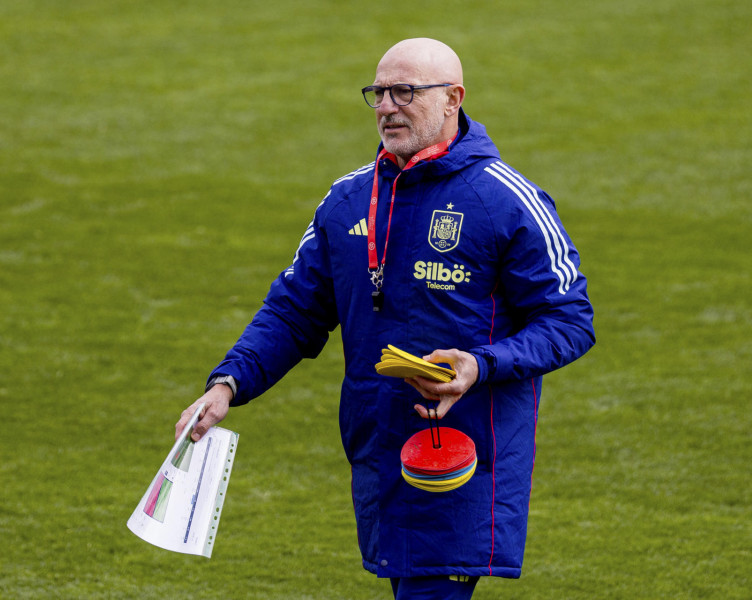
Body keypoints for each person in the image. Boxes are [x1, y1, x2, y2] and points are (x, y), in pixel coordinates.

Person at [176, 38, 595, 600]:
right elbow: (294, 311)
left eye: (406, 92)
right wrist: (229, 383)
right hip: (378, 448)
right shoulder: (347, 200)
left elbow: (570, 320)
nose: (387, 107)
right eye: (379, 93)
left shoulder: (506, 201)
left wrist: (480, 364)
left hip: (460, 456)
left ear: (453, 99)